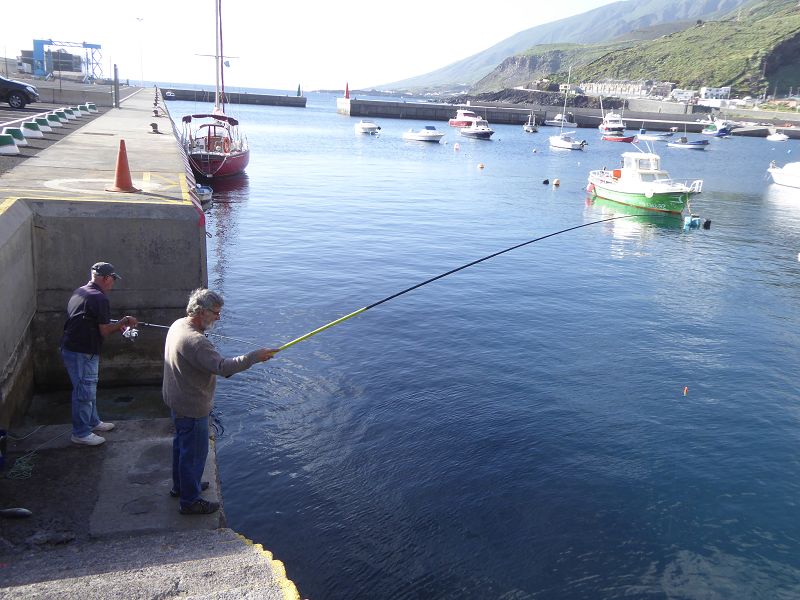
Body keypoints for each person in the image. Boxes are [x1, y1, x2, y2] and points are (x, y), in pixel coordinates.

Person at [163, 288, 278, 515]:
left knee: (181, 448)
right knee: (193, 455)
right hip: (192, 406)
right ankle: (190, 501)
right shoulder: (197, 341)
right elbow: (223, 368)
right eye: (215, 313)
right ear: (201, 311)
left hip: (175, 400)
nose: (218, 317)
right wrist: (253, 357)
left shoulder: (178, 325)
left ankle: (182, 486)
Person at [61, 262, 138, 446]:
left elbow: (88, 319)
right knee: (84, 391)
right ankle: (80, 433)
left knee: (88, 387)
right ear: (105, 278)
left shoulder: (81, 292)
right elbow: (104, 331)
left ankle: (93, 422)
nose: (113, 283)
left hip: (73, 348)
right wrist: (124, 321)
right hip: (81, 351)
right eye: (112, 279)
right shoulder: (100, 299)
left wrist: (117, 325)